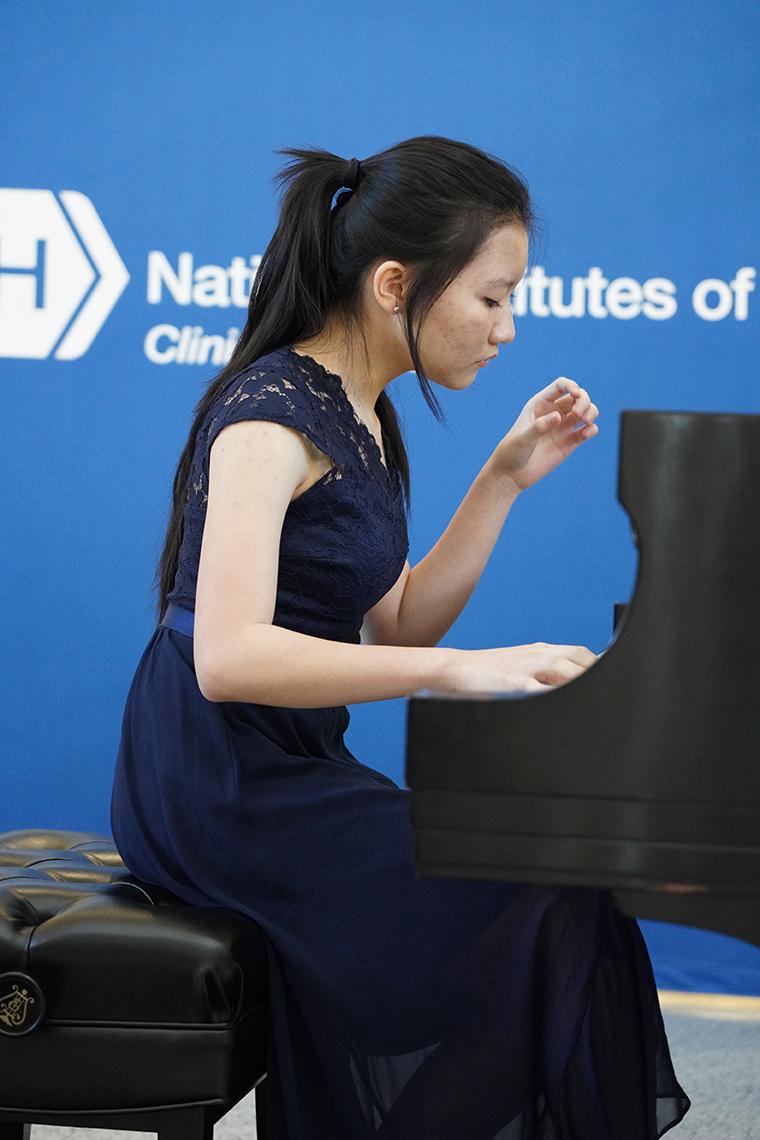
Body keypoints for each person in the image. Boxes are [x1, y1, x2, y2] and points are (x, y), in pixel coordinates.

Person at [110, 135, 690, 1139]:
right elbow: (228, 657)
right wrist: (463, 671)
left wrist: (502, 478)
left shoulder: (365, 411)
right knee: (535, 903)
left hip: (292, 762)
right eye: (493, 297)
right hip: (216, 781)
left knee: (568, 889)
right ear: (394, 284)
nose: (506, 328)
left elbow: (398, 616)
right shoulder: (267, 415)